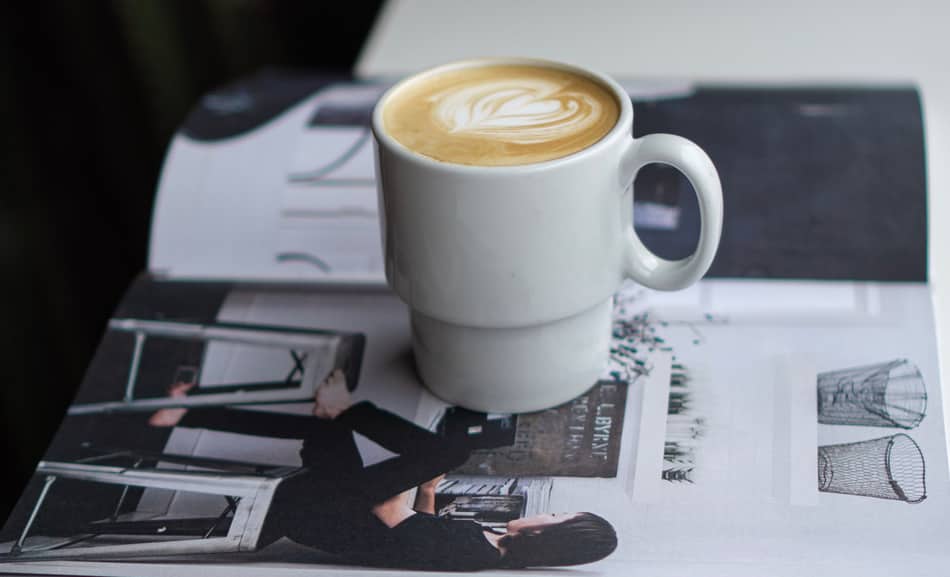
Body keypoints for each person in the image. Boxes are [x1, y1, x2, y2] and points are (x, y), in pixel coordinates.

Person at [149, 371, 617, 571]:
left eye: (557, 520)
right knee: (328, 429)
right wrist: (428, 490)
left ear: (549, 536)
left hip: (316, 515)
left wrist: (415, 475)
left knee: (445, 452)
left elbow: (389, 513)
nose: (547, 515)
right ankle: (182, 415)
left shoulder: (476, 557)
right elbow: (417, 527)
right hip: (334, 503)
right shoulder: (486, 542)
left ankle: (347, 409)